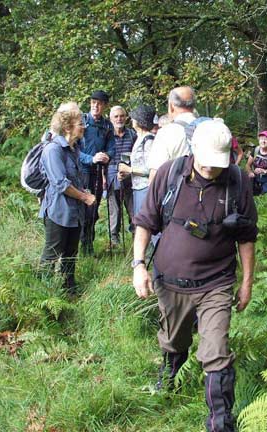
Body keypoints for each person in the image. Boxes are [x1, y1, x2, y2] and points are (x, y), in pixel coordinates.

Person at [132, 119, 257, 432]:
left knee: (216, 351)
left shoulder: (238, 182)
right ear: (193, 152)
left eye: (219, 163)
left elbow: (247, 237)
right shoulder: (168, 175)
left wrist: (246, 283)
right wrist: (138, 265)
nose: (212, 170)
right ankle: (169, 375)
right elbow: (145, 223)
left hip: (216, 283)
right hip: (170, 281)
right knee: (175, 340)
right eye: (207, 163)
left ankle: (220, 422)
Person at [39, 102, 96, 294]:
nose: (84, 126)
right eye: (80, 123)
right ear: (67, 127)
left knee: (71, 254)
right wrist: (85, 197)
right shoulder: (53, 150)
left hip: (75, 213)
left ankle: (69, 290)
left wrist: (83, 192)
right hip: (58, 212)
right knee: (52, 255)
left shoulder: (74, 149)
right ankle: (43, 295)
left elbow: (75, 178)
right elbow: (60, 184)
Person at [79, 90, 115, 255]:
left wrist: (107, 156)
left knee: (93, 210)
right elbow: (73, 149)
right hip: (81, 173)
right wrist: (91, 158)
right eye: (93, 102)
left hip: (99, 172)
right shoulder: (82, 122)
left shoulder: (107, 125)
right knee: (83, 210)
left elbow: (112, 148)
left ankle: (89, 246)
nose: (95, 105)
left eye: (99, 103)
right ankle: (79, 245)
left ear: (105, 106)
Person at [148, 86, 197, 183]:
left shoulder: (167, 132)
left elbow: (155, 174)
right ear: (194, 105)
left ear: (171, 106)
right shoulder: (207, 127)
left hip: (180, 192)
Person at [118, 104, 156, 215]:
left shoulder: (148, 141)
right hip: (138, 188)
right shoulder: (140, 138)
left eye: (134, 117)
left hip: (145, 189)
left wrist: (129, 169)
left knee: (144, 223)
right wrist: (126, 173)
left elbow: (151, 169)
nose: (132, 120)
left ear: (139, 121)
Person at [107, 106, 137, 247]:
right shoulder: (107, 136)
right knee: (114, 209)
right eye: (116, 116)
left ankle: (136, 236)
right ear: (111, 118)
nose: (119, 119)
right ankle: (114, 239)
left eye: (122, 116)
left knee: (133, 207)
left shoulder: (132, 134)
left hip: (130, 176)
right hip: (112, 175)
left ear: (126, 117)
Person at [246, 130, 267, 195]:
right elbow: (248, 165)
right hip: (255, 181)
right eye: (261, 139)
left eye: (265, 139)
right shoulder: (256, 150)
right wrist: (250, 172)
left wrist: (264, 171)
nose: (263, 141)